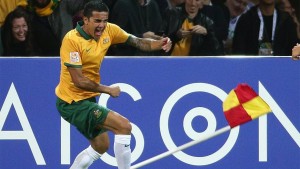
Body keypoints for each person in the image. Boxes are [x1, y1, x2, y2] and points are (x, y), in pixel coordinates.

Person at [55, 1, 171, 169]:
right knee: (124, 126)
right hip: (72, 102)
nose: (102, 25)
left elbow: (137, 41)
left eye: (104, 20)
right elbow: (78, 80)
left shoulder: (110, 30)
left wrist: (159, 44)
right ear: (85, 20)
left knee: (101, 146)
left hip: (87, 100)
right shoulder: (72, 40)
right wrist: (107, 90)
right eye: (97, 21)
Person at [18, 0, 87, 56]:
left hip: (64, 59)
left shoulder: (63, 4)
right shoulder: (25, 10)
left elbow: (89, 4)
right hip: (36, 62)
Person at [232, 0, 298, 56]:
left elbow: (294, 51)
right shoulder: (246, 19)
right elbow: (238, 52)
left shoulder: (286, 20)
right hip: (252, 67)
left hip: (281, 68)